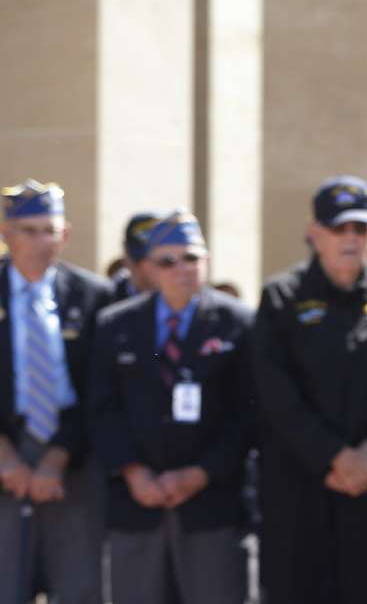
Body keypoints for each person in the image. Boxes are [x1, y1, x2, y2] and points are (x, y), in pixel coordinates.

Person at [253, 175, 367, 604]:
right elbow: (275, 395)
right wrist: (334, 457)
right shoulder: (282, 297)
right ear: (314, 234)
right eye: (339, 228)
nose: (350, 239)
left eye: (361, 228)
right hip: (300, 488)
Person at [91, 211, 253, 604]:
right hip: (137, 505)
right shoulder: (117, 326)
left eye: (192, 258)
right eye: (168, 260)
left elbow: (249, 412)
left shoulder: (239, 323)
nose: (182, 269)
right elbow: (102, 408)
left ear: (207, 261)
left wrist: (201, 473)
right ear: (148, 267)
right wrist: (133, 472)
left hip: (212, 505)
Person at [0, 179, 113, 604]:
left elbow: (101, 388)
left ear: (65, 234)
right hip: (6, 457)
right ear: (5, 233)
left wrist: (58, 455)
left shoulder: (94, 296)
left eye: (50, 230)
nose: (40, 241)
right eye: (28, 230)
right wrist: (5, 455)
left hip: (72, 461)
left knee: (79, 585)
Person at [110, 212, 159, 300]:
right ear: (126, 254)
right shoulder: (104, 300)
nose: (145, 268)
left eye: (156, 261)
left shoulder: (187, 303)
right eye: (138, 260)